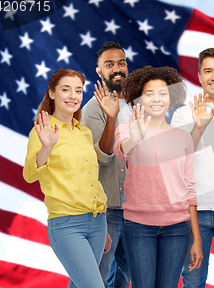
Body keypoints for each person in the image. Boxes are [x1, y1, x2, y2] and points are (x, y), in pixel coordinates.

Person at [114, 65, 203, 288]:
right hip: (138, 226)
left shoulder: (183, 137)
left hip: (177, 227)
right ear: (139, 98)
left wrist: (197, 239)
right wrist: (136, 138)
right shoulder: (127, 128)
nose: (156, 99)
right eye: (149, 93)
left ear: (171, 97)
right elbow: (122, 149)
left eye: (163, 93)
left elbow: (189, 188)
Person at [23, 68, 112, 287]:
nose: (73, 96)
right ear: (52, 93)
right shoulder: (42, 131)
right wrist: (46, 148)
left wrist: (103, 225)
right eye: (66, 89)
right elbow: (29, 175)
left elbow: (91, 178)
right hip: (66, 224)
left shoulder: (84, 132)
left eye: (78, 91)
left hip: (98, 222)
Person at [171, 48, 214, 288]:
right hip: (192, 213)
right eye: (208, 71)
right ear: (199, 76)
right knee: (193, 282)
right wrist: (198, 127)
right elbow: (177, 158)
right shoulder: (183, 112)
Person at [81, 41, 131, 288]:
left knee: (123, 278)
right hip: (107, 208)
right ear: (99, 71)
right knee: (97, 276)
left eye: (121, 63)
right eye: (109, 64)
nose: (117, 69)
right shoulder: (92, 109)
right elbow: (102, 157)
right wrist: (111, 118)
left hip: (134, 209)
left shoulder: (136, 105)